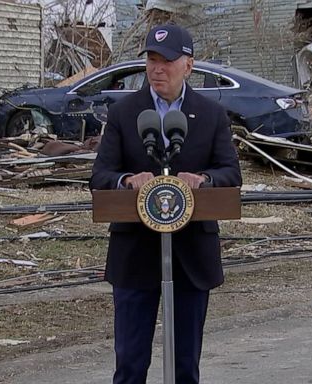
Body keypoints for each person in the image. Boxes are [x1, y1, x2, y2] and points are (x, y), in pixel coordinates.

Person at [90, 23, 242, 384]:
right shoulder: (125, 113)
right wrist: (127, 181)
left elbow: (230, 174)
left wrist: (203, 180)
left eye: (167, 61)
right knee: (129, 365)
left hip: (191, 256)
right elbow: (100, 176)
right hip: (135, 256)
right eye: (152, 60)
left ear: (188, 65)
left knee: (185, 366)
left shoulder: (211, 114)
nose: (157, 68)